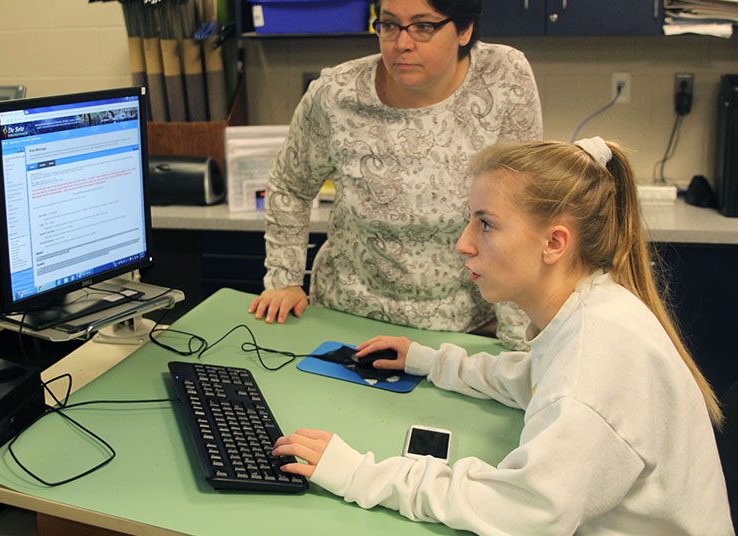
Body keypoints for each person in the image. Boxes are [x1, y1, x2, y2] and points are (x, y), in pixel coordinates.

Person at [272, 138, 733, 535]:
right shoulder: (596, 305)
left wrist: (360, 474)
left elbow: (525, 512)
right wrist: (431, 363)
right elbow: (536, 378)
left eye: (486, 224)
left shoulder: (594, 362)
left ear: (554, 243)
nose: (463, 243)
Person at [247, 0, 543, 349]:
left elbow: (520, 211)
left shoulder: (504, 78)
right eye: (389, 24)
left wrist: (518, 343)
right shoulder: (335, 94)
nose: (401, 43)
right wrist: (284, 280)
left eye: (422, 26)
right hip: (347, 321)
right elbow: (289, 186)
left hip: (461, 329)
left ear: (464, 29)